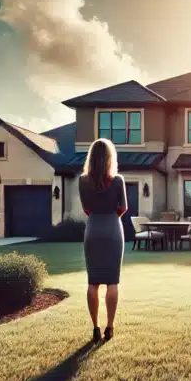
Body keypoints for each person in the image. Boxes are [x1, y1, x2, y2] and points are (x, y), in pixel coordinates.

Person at [79, 138, 128, 342]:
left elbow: (86, 208)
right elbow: (123, 207)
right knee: (112, 281)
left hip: (93, 229)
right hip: (112, 230)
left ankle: (95, 328)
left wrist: (98, 214)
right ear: (110, 158)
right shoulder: (117, 181)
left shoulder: (82, 181)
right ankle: (110, 327)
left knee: (93, 282)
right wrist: (110, 215)